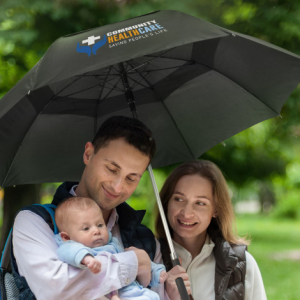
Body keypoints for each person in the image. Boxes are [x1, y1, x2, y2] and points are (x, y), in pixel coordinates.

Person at [12, 116, 188, 300]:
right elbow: (56, 288)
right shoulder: (36, 221)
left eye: (131, 178)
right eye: (112, 169)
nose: (118, 187)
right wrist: (132, 263)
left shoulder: (146, 240)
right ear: (88, 154)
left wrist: (171, 294)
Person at [155, 160, 268, 300]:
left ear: (216, 209)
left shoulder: (241, 264)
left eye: (200, 203)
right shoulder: (150, 258)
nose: (186, 213)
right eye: (179, 199)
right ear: (166, 203)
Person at [54, 196, 168, 300]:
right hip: (107, 293)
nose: (96, 231)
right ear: (66, 237)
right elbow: (67, 251)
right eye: (86, 228)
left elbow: (139, 261)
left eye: (99, 225)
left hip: (132, 291)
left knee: (153, 296)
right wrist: (86, 258)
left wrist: (157, 271)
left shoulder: (113, 244)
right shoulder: (72, 246)